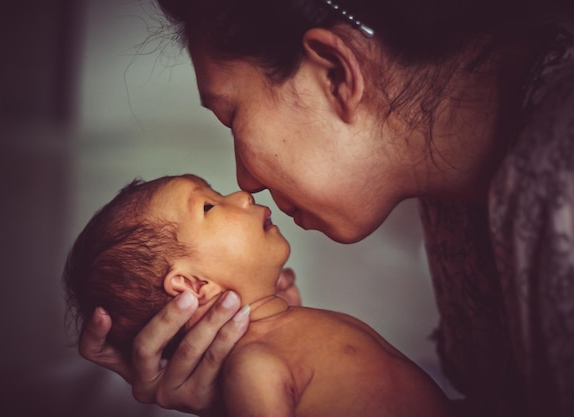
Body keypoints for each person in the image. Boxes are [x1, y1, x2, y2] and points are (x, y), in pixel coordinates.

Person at [77, 1, 574, 416]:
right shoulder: (454, 205)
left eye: (232, 116)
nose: (246, 184)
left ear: (335, 72)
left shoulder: (558, 181)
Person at [64, 174, 453, 417]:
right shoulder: (254, 367)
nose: (241, 195)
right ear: (194, 287)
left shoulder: (286, 329)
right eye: (209, 205)